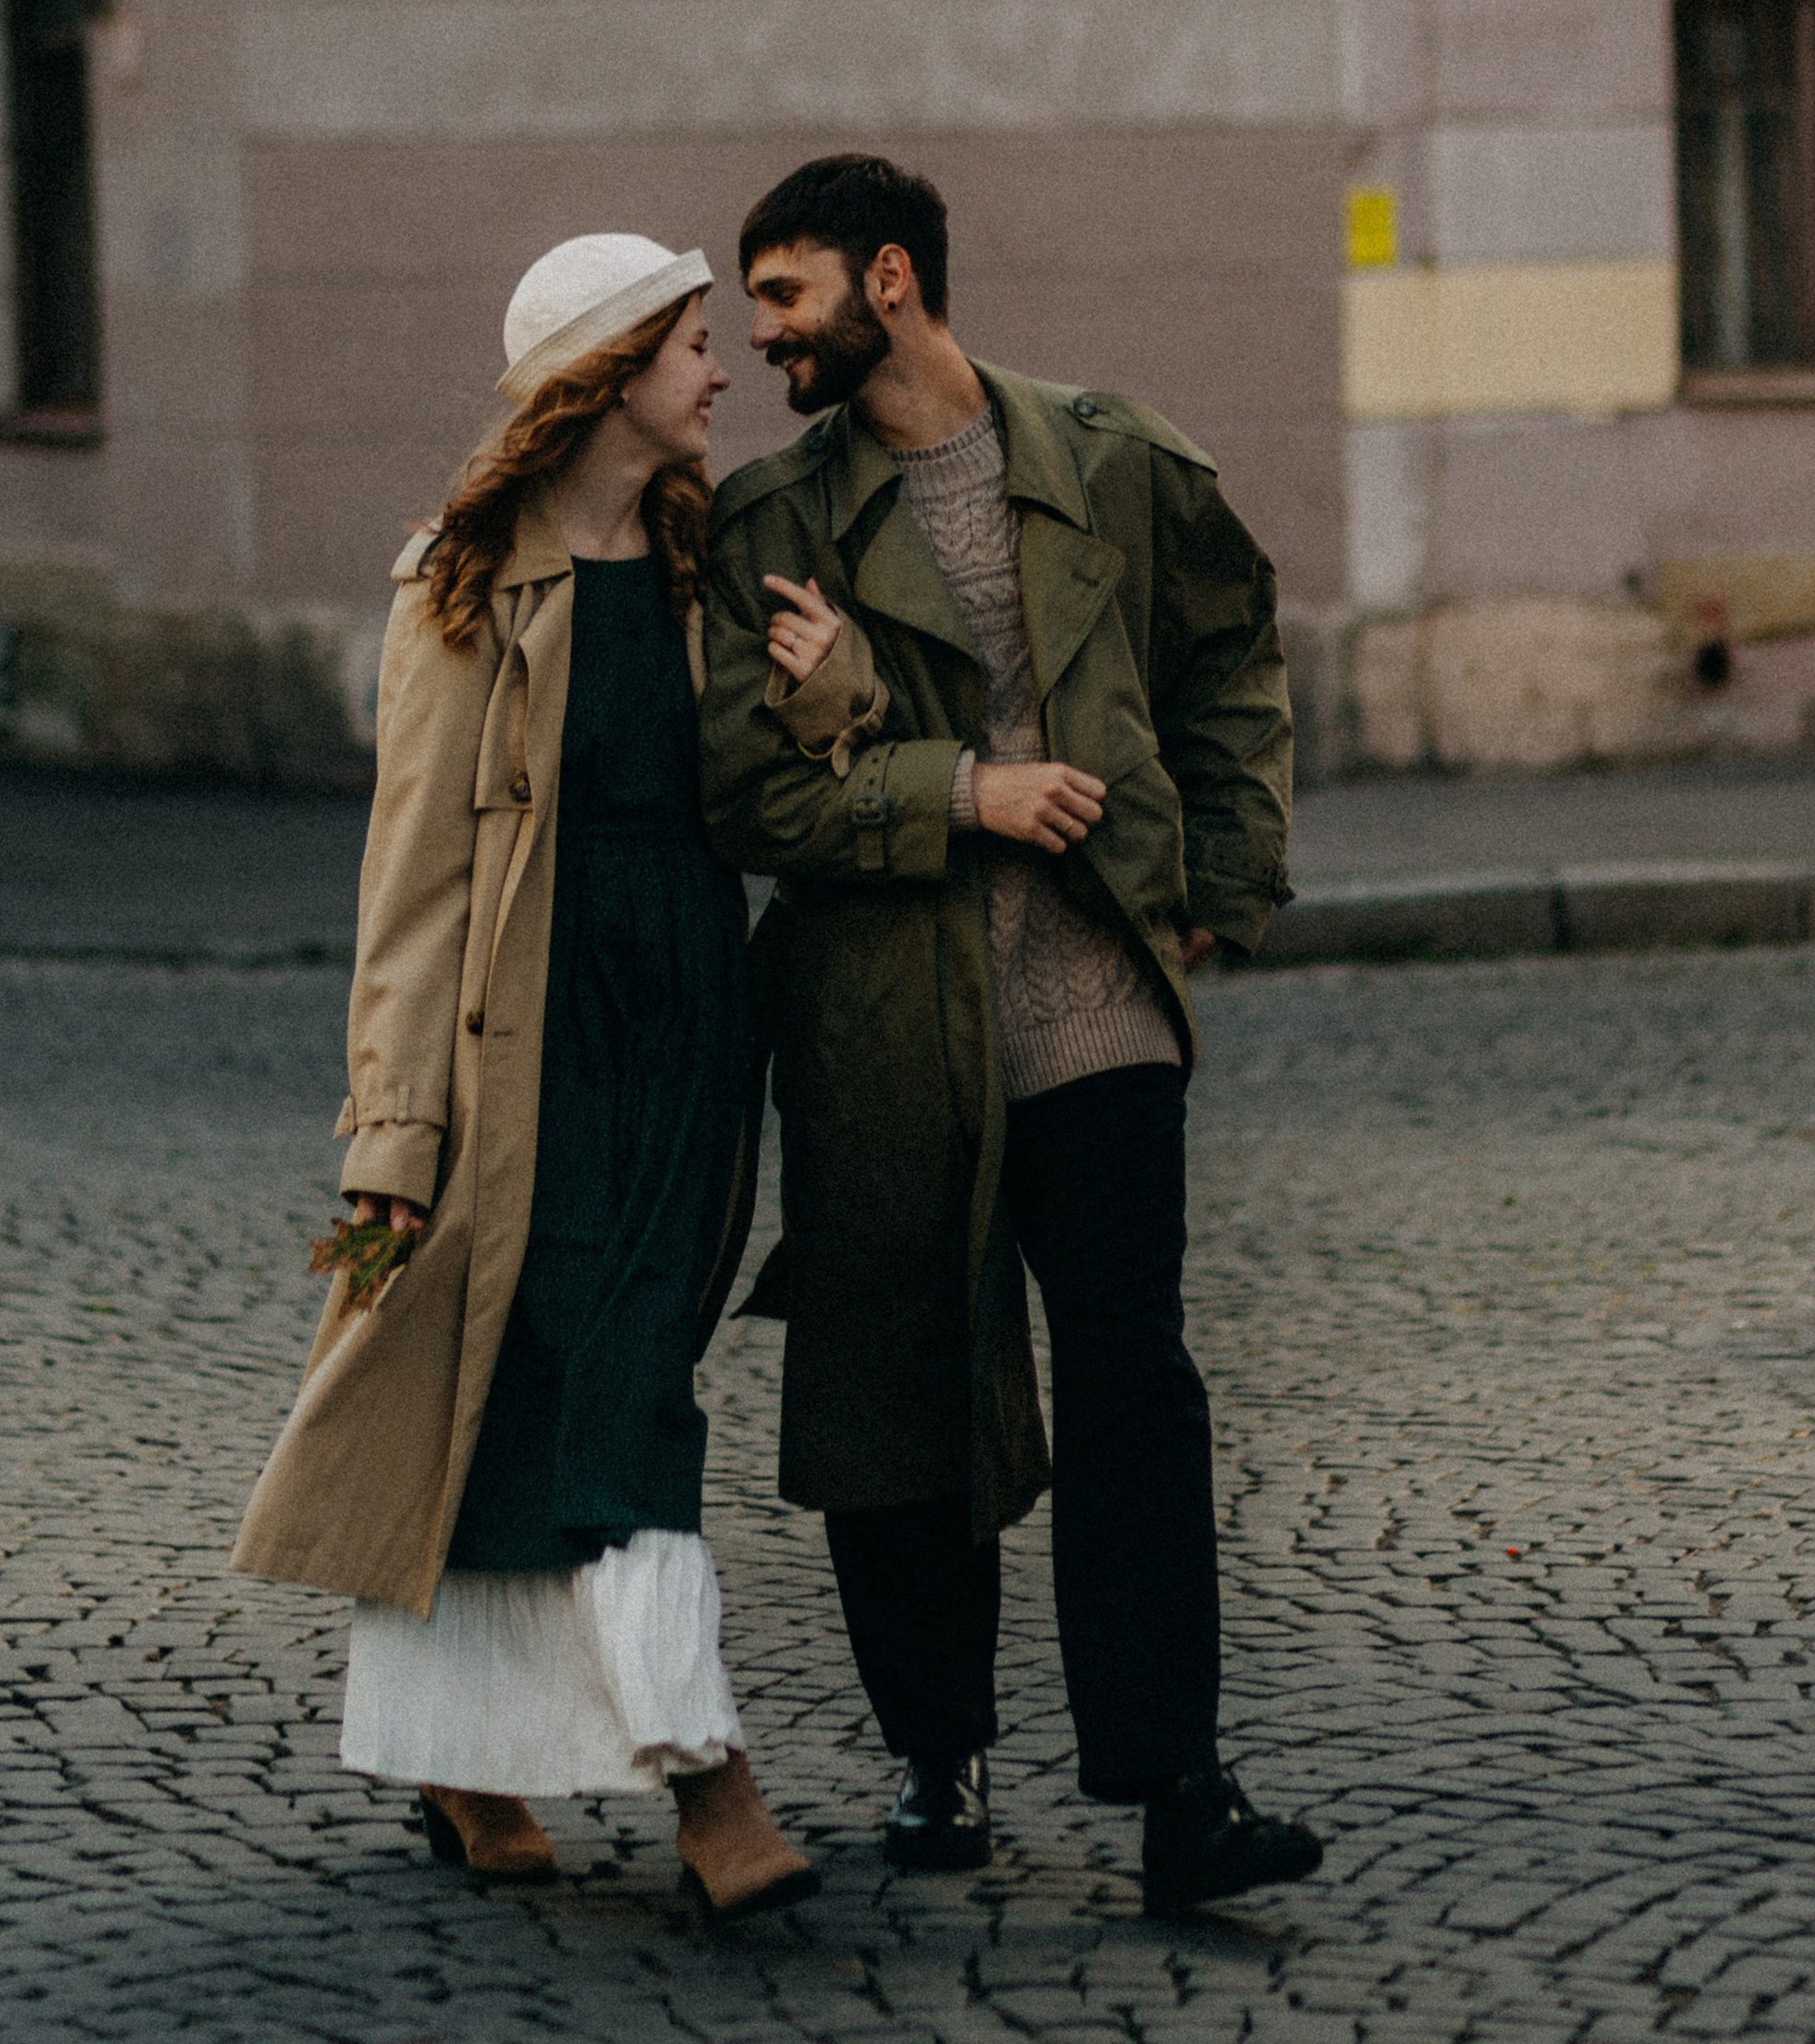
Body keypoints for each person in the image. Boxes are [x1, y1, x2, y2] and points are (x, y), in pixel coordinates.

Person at [698, 154, 1324, 1919]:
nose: (762, 337)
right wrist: (953, 788)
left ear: (891, 280)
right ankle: (937, 1751)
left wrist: (1215, 872)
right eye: (751, 307)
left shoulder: (1112, 459)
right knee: (905, 1384)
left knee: (1137, 1381)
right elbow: (749, 792)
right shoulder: (775, 522)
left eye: (790, 295)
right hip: (891, 1025)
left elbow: (1231, 655)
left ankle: (1176, 1787)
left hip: (1101, 1011)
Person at [234, 234, 835, 1920]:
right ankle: (707, 1781)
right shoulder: (463, 583)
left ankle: (468, 1747)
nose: (721, 372)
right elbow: (411, 878)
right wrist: (394, 1130)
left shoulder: (712, 555)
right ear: (610, 372)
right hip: (531, 1037)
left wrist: (835, 689)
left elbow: (785, 772)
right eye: (693, 345)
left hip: (688, 1019)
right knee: (554, 1378)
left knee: (610, 1357)